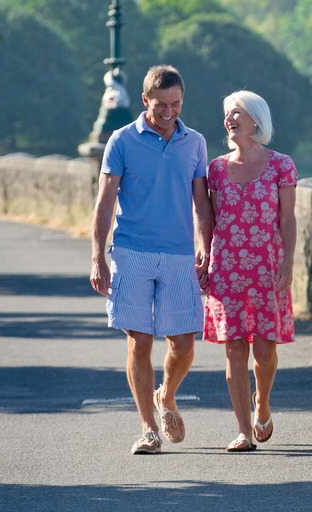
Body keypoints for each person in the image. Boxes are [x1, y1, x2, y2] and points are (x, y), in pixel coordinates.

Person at [89, 65, 213, 455]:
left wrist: (206, 247)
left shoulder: (194, 143)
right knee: (139, 341)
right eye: (161, 104)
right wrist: (97, 256)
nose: (169, 111)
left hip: (178, 255)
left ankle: (167, 397)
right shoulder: (122, 140)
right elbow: (104, 202)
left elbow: (202, 205)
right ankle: (147, 429)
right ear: (145, 101)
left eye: (176, 103)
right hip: (131, 252)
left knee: (183, 344)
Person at [202, 90, 298, 452]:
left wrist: (287, 263)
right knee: (235, 349)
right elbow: (210, 220)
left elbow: (287, 220)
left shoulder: (281, 165)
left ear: (256, 119)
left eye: (237, 112)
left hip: (267, 268)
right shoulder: (216, 169)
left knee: (265, 352)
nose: (229, 118)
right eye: (227, 112)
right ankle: (243, 430)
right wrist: (204, 259)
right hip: (226, 268)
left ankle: (263, 402)